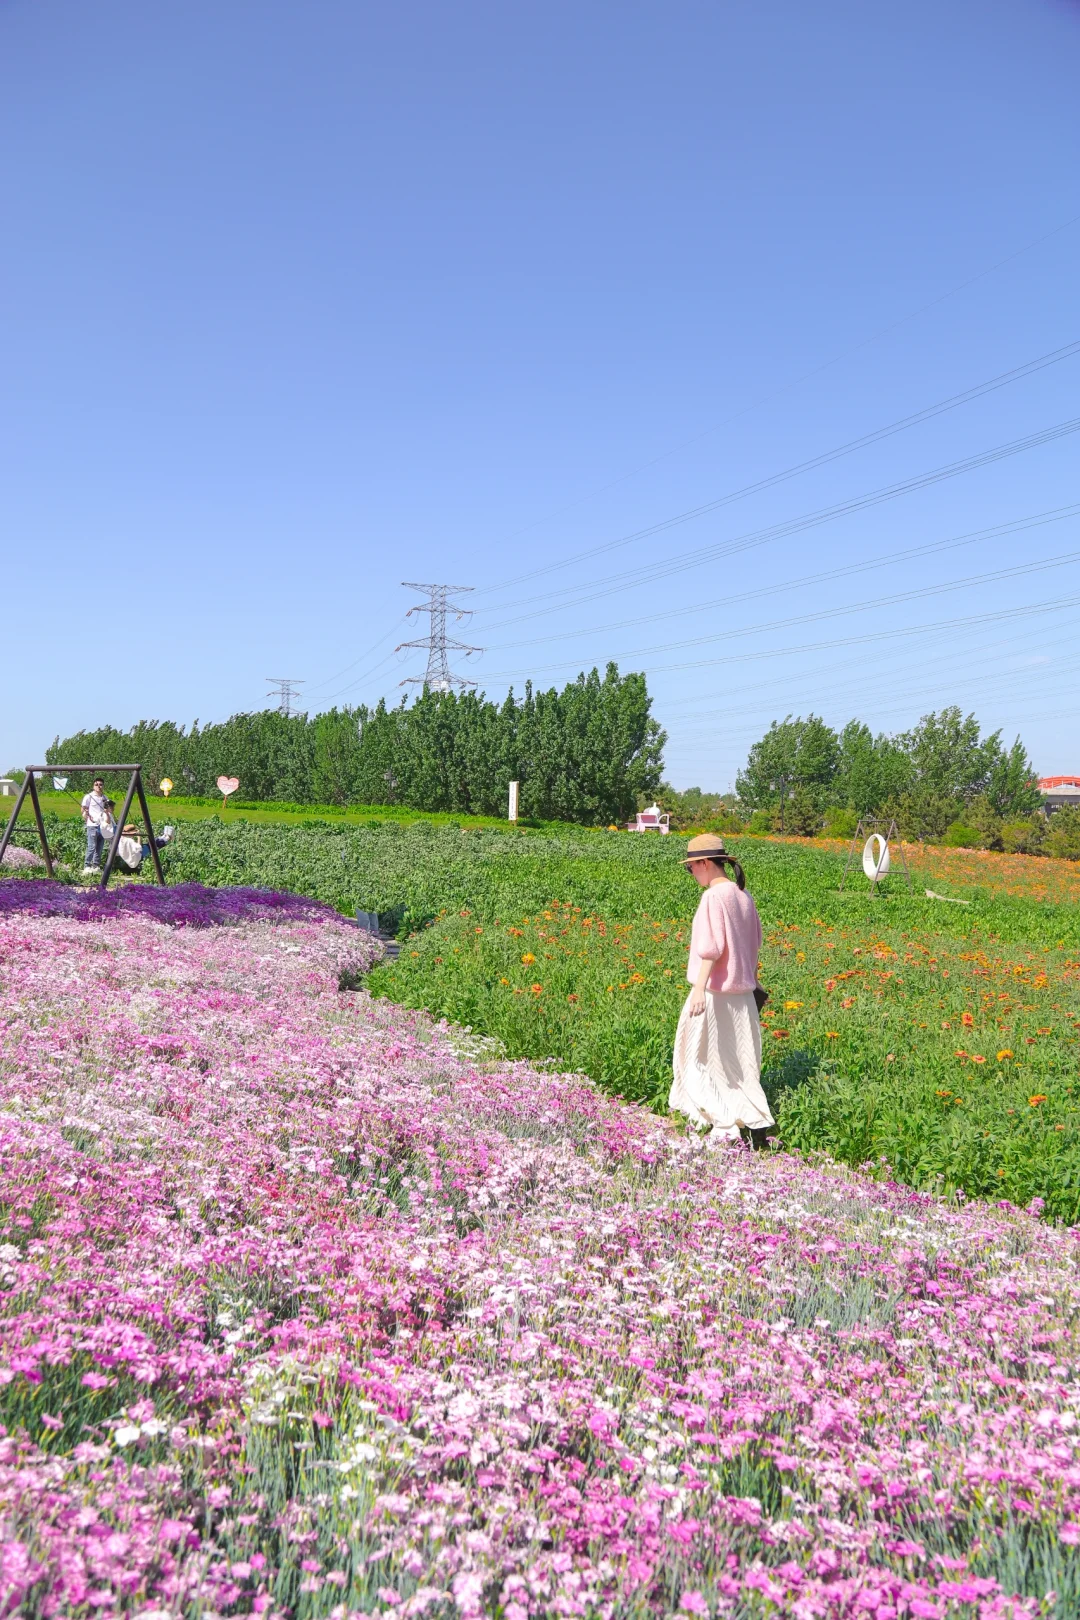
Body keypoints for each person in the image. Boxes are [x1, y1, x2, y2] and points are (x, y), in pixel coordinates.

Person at [669, 833, 775, 1148]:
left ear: (704, 863)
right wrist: (753, 984)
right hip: (742, 997)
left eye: (691, 868)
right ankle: (753, 1122)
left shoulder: (713, 898)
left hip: (714, 994)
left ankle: (722, 1124)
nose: (692, 874)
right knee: (740, 1068)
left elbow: (710, 950)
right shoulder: (744, 896)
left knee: (698, 1059)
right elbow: (754, 946)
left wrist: (699, 990)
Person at [80, 778, 111, 874]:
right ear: (93, 786)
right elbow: (83, 809)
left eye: (101, 784)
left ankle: (96, 866)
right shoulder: (88, 796)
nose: (99, 786)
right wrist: (87, 816)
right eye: (96, 784)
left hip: (102, 825)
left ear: (103, 786)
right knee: (91, 846)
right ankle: (87, 865)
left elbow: (108, 810)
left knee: (100, 847)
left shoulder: (105, 798)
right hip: (92, 825)